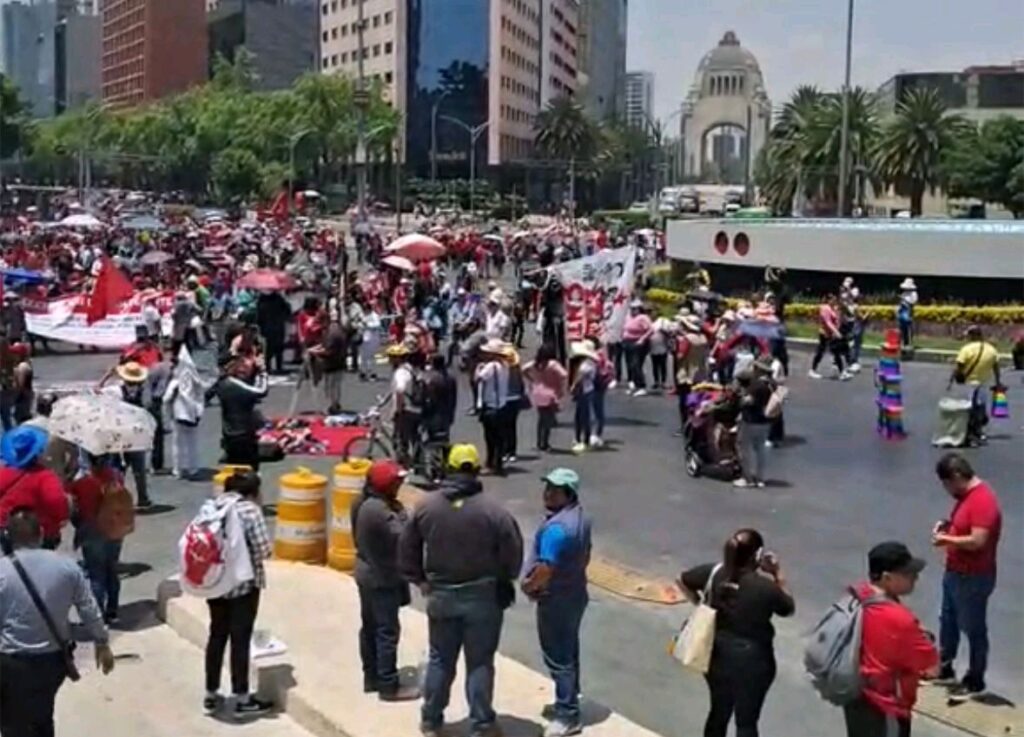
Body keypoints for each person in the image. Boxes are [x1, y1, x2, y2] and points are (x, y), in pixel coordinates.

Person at [399, 444, 524, 737]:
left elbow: (407, 547)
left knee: (441, 659)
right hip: (483, 597)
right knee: (479, 662)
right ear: (476, 470)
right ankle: (482, 723)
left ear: (449, 468)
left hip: (441, 595)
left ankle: (431, 720)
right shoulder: (494, 511)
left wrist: (419, 579)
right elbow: (512, 552)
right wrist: (505, 579)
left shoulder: (426, 506)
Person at [0, 508, 115, 737]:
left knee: (13, 723)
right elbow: (88, 608)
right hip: (52, 662)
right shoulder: (67, 567)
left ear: (8, 537)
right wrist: (102, 642)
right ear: (41, 534)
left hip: (10, 662)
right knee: (43, 715)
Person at [678, 529, 794, 737]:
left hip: (718, 657)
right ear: (757, 556)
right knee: (746, 722)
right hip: (754, 662)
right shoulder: (765, 588)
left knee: (719, 712)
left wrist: (700, 604)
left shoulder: (713, 573)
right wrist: (777, 573)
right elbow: (788, 608)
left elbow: (683, 580)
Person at [522, 469, 592, 737]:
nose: (548, 493)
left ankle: (568, 714)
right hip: (575, 594)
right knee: (569, 650)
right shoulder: (581, 518)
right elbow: (586, 555)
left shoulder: (557, 530)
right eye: (548, 486)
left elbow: (545, 569)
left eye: (555, 489)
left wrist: (529, 587)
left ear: (569, 494)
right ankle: (568, 700)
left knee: (558, 657)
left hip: (556, 600)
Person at [845, 542, 938, 737]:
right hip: (886, 706)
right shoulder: (900, 619)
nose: (915, 577)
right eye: (908, 574)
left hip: (856, 697)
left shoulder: (858, 597)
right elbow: (931, 667)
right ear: (887, 577)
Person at [202, 471, 274, 718]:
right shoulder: (250, 511)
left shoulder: (212, 507)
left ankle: (211, 693)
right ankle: (242, 697)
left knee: (217, 635)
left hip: (214, 583)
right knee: (240, 639)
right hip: (243, 586)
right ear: (253, 492)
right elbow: (264, 549)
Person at [931, 453, 1002, 701]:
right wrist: (947, 526)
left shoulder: (983, 501)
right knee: (947, 621)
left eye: (947, 484)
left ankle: (975, 677)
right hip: (954, 573)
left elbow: (977, 540)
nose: (947, 490)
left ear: (957, 477)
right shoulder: (965, 498)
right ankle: (945, 665)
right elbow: (964, 527)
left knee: (972, 628)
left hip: (972, 577)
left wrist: (945, 539)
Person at [352, 459, 420, 701]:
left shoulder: (362, 503)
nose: (400, 485)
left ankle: (371, 677)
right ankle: (388, 684)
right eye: (396, 482)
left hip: (366, 572)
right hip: (381, 577)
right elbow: (405, 536)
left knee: (369, 627)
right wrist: (404, 513)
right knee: (386, 631)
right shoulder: (380, 511)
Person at [67, 454, 128, 624]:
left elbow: (71, 508)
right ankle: (113, 610)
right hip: (114, 530)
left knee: (96, 575)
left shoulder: (81, 483)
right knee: (111, 570)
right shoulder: (117, 477)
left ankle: (99, 613)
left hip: (92, 531)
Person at [0, 426, 69, 550]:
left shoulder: (4, 472)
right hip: (38, 533)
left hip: (7, 529)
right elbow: (55, 502)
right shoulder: (46, 477)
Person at [948, 326, 1001, 446]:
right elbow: (996, 367)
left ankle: (969, 431)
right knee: (980, 406)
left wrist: (952, 381)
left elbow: (959, 366)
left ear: (972, 336)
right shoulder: (991, 350)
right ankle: (979, 429)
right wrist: (998, 382)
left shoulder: (966, 349)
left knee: (967, 408)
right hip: (983, 383)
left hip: (969, 383)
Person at [163, 346, 209, 480]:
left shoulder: (176, 382)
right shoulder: (196, 380)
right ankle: (193, 468)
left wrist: (167, 411)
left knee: (177, 444)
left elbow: (166, 398)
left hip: (178, 415)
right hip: (193, 414)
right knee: (192, 442)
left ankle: (178, 470)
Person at [215, 357, 269, 471]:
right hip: (242, 435)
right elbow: (261, 391)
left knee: (234, 470)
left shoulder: (222, 383)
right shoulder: (234, 385)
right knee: (249, 471)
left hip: (229, 433)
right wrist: (263, 372)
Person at [113, 361, 154, 507]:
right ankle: (143, 498)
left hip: (121, 433)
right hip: (136, 434)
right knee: (139, 470)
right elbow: (147, 407)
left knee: (119, 469)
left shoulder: (117, 391)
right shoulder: (144, 392)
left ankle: (118, 498)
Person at [734, 358, 773, 488]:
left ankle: (747, 478)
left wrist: (741, 397)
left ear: (758, 369)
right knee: (760, 449)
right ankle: (761, 478)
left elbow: (747, 402)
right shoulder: (771, 384)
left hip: (751, 421)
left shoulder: (756, 386)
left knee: (744, 449)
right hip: (765, 421)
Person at [24, 394, 78, 487]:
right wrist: (68, 475)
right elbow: (74, 457)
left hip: (30, 479)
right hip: (55, 479)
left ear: (37, 408)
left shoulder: (25, 426)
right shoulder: (63, 428)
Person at [523, 344, 568, 452]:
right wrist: (559, 385)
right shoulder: (552, 364)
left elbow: (523, 369)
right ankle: (545, 443)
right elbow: (564, 375)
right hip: (550, 393)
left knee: (541, 419)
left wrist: (532, 379)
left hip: (538, 391)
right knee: (548, 420)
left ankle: (539, 442)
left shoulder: (535, 363)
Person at [421, 354, 458, 486]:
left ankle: (436, 472)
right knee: (444, 442)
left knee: (433, 444)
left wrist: (424, 415)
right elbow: (454, 398)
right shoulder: (451, 378)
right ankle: (446, 468)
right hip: (447, 414)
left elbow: (429, 400)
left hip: (434, 415)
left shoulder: (432, 379)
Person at [475, 340, 511, 475]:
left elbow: (478, 378)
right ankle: (498, 463)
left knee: (490, 437)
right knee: (499, 438)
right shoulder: (505, 365)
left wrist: (478, 368)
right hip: (502, 404)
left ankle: (491, 463)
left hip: (490, 405)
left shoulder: (490, 367)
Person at [387, 344, 424, 470]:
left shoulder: (400, 372)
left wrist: (398, 409)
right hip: (416, 409)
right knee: (414, 438)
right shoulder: (411, 369)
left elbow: (400, 390)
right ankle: (418, 463)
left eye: (391, 357)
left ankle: (404, 467)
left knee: (400, 441)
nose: (389, 360)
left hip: (406, 411)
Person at [809, 294, 851, 381]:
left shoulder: (832, 308)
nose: (834, 301)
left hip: (830, 334)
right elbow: (828, 322)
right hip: (824, 334)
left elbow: (836, 320)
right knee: (821, 352)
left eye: (835, 300)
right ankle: (812, 370)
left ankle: (842, 372)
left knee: (835, 352)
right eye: (833, 300)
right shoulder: (825, 308)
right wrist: (836, 332)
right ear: (828, 300)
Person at [568, 341, 598, 455]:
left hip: (585, 391)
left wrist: (573, 386)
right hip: (584, 390)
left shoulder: (588, 363)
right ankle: (579, 437)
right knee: (579, 415)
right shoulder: (585, 362)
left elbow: (580, 376)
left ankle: (584, 439)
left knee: (583, 416)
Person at [621, 300, 653, 396]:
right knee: (630, 365)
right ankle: (634, 384)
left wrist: (642, 339)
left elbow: (651, 330)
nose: (633, 310)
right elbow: (625, 328)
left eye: (635, 309)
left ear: (639, 309)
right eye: (631, 309)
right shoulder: (629, 317)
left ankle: (641, 386)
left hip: (638, 342)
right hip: (627, 342)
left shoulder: (643, 318)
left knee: (636, 364)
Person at [896, 278, 917, 351]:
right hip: (902, 312)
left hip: (908, 312)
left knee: (908, 329)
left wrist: (904, 300)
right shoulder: (904, 293)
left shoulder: (913, 294)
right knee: (901, 328)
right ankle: (902, 343)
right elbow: (900, 302)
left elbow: (912, 303)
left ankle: (909, 343)